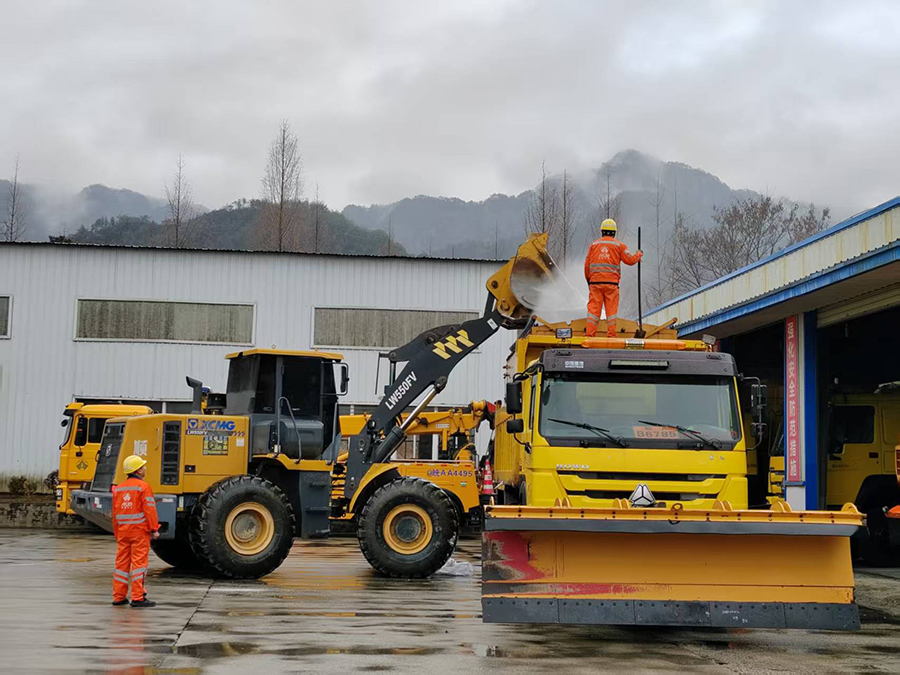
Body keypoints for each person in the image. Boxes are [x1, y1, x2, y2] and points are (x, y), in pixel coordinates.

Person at [112, 454, 160, 607]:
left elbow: (114, 513)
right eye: (143, 466)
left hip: (123, 532)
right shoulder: (143, 487)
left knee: (121, 565)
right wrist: (154, 529)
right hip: (139, 532)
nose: (145, 468)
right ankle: (138, 597)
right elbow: (149, 510)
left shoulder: (119, 489)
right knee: (139, 564)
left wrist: (117, 532)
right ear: (138, 470)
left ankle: (118, 597)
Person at [584, 218, 642, 337]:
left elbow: (587, 265)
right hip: (612, 285)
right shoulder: (619, 246)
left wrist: (589, 281)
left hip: (595, 283)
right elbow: (630, 260)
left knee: (593, 311)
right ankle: (611, 335)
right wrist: (638, 254)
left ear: (602, 231)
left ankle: (589, 335)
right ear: (614, 232)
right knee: (611, 312)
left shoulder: (594, 245)